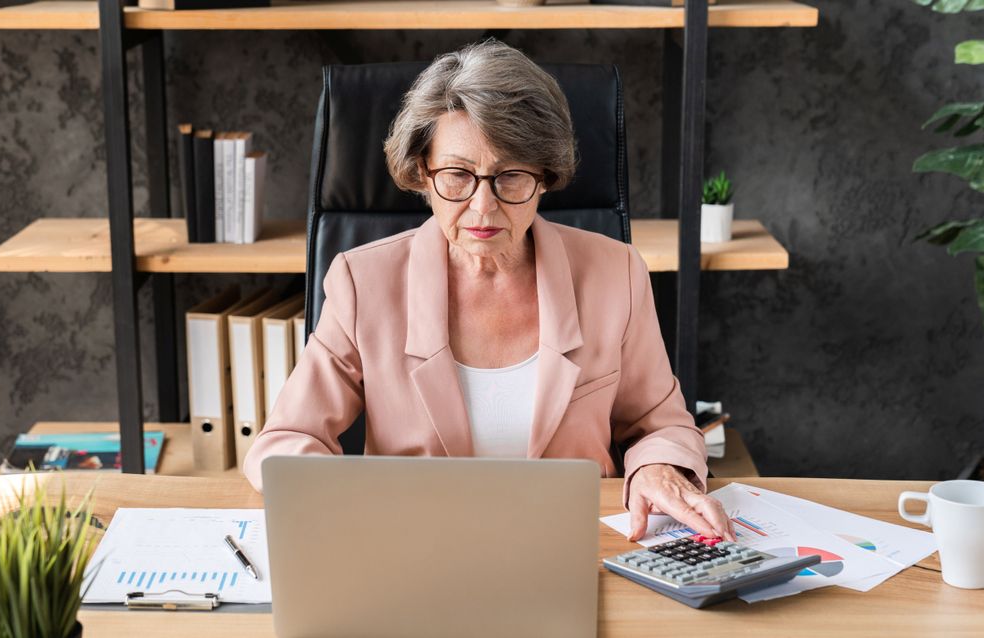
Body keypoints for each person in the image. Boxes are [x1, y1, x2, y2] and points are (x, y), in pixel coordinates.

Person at [244, 40, 734, 542]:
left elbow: (662, 425)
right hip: (414, 545)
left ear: (545, 178)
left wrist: (656, 468)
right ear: (421, 173)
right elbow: (286, 440)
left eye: (511, 177)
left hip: (574, 545)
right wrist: (349, 502)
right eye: (456, 176)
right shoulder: (362, 281)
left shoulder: (617, 273)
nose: (483, 208)